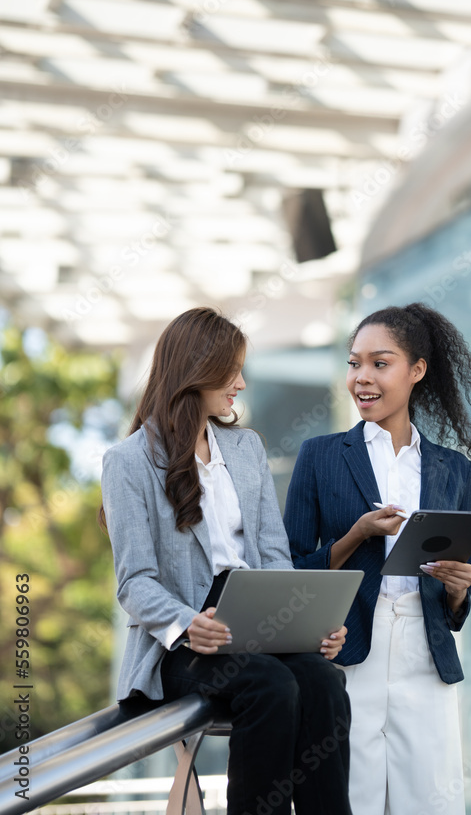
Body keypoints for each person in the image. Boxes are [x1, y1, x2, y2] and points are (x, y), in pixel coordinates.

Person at [101, 307, 352, 815]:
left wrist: (309, 626)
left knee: (326, 681)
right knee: (270, 685)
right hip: (185, 637)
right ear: (197, 370)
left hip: (256, 611)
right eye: (231, 370)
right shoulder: (127, 461)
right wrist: (188, 623)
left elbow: (274, 555)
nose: (240, 382)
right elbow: (135, 583)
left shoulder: (246, 448)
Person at [284, 302, 471, 815]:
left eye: (380, 363)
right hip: (348, 647)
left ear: (416, 371)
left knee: (430, 800)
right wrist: (357, 534)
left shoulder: (453, 469)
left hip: (426, 651)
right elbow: (288, 569)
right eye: (354, 363)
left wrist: (459, 587)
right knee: (348, 796)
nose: (362, 378)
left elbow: (455, 602)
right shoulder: (320, 455)